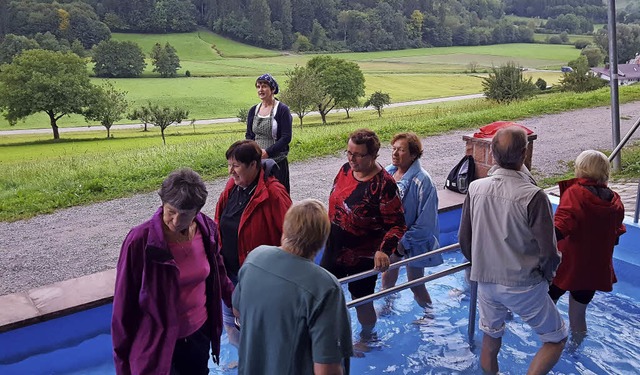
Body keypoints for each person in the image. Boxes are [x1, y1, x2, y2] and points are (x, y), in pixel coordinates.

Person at [458, 126, 568, 375]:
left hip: (485, 281)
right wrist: (546, 277)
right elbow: (549, 252)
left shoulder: (475, 189)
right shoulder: (533, 196)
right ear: (524, 154)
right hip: (523, 283)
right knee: (556, 338)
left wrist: (479, 264)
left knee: (490, 338)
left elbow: (465, 240)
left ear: (493, 155)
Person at [112, 168, 234, 375]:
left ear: (197, 212)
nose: (176, 221)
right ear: (162, 204)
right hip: (158, 342)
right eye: (171, 211)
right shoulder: (140, 241)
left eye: (185, 215)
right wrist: (122, 365)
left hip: (199, 335)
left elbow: (218, 274)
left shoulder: (207, 230)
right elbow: (124, 306)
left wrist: (236, 301)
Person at [233, 199, 353, 375]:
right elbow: (326, 369)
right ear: (322, 240)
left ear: (286, 228)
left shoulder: (255, 258)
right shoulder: (325, 287)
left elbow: (237, 311)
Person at [321, 128, 406, 352]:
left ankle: (368, 337)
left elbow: (398, 224)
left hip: (363, 253)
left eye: (358, 155)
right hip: (335, 247)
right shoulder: (345, 169)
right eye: (349, 153)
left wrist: (384, 250)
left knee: (361, 299)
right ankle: (329, 338)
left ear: (373, 156)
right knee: (326, 294)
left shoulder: (384, 185)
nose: (352, 159)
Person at [215, 140, 292, 346]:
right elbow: (218, 220)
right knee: (231, 323)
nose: (231, 171)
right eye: (229, 165)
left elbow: (292, 236)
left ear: (254, 165)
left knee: (260, 330)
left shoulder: (274, 193)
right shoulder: (232, 187)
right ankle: (243, 361)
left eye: (236, 165)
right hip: (229, 274)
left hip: (260, 278)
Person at [549, 150, 626, 346]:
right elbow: (616, 234)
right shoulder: (615, 201)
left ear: (580, 169)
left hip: (566, 267)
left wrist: (536, 242)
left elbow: (561, 226)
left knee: (546, 308)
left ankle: (550, 347)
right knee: (578, 316)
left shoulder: (576, 193)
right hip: (593, 271)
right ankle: (575, 349)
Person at [381, 132, 441, 317]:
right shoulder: (389, 172)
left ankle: (429, 314)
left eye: (401, 150)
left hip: (413, 241)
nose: (395, 153)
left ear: (414, 155)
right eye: (394, 149)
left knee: (415, 283)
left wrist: (402, 244)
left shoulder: (423, 181)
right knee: (388, 276)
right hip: (393, 237)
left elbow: (426, 223)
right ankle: (387, 305)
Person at [246, 73, 293, 192]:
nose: (260, 90)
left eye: (264, 86)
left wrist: (267, 152)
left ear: (272, 89)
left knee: (277, 195)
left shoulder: (282, 110)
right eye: (258, 86)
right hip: (257, 161)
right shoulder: (253, 110)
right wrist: (253, 152)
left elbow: (286, 137)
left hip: (276, 161)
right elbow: (249, 135)